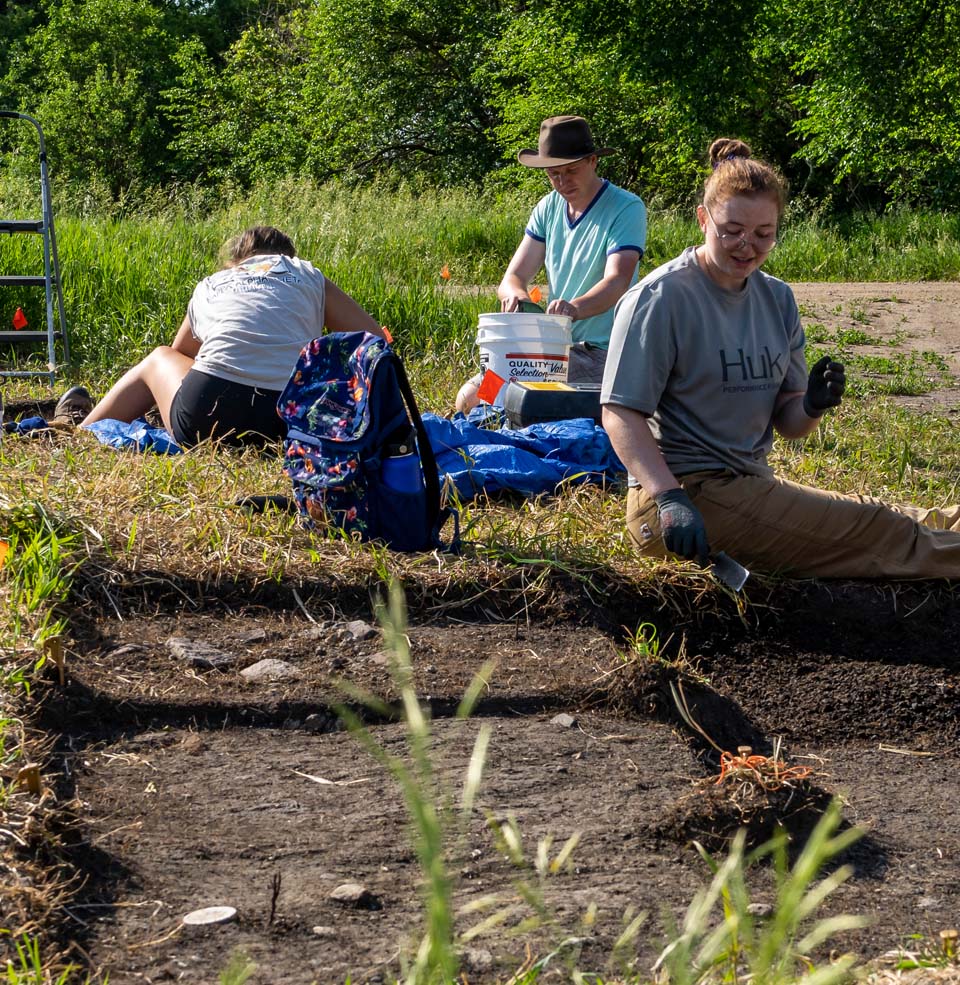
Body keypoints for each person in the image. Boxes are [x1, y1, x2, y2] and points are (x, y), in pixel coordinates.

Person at [601, 137, 960, 579]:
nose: (745, 245)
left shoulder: (777, 298)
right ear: (702, 219)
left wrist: (810, 404)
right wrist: (669, 498)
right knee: (881, 530)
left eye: (763, 234)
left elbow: (791, 427)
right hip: (682, 503)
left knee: (892, 514)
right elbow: (619, 412)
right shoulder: (662, 298)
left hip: (748, 486)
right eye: (730, 230)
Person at [56, 226, 384, 448]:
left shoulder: (216, 281)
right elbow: (373, 341)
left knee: (158, 359)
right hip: (289, 426)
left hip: (205, 419)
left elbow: (180, 352)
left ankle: (79, 433)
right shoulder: (308, 276)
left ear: (237, 261)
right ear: (289, 257)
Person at [455, 115, 647, 413]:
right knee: (472, 397)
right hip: (551, 350)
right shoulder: (548, 207)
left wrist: (573, 309)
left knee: (517, 397)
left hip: (603, 352)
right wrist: (516, 296)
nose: (562, 181)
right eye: (553, 174)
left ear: (593, 161)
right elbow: (514, 276)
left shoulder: (626, 207)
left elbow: (617, 282)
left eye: (571, 170)